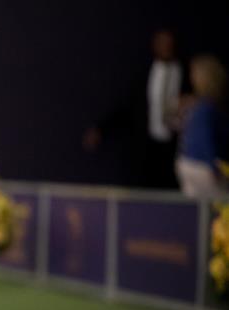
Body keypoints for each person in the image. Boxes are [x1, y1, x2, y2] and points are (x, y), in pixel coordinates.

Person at [84, 29, 184, 187]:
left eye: (169, 44)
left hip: (174, 150)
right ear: (155, 46)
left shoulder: (185, 74)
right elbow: (125, 106)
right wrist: (101, 128)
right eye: (162, 43)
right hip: (145, 148)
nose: (166, 47)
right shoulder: (142, 72)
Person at [175, 55, 229, 198]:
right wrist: (213, 167)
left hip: (187, 163)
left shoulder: (201, 106)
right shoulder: (206, 108)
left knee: (197, 210)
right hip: (200, 166)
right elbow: (206, 139)